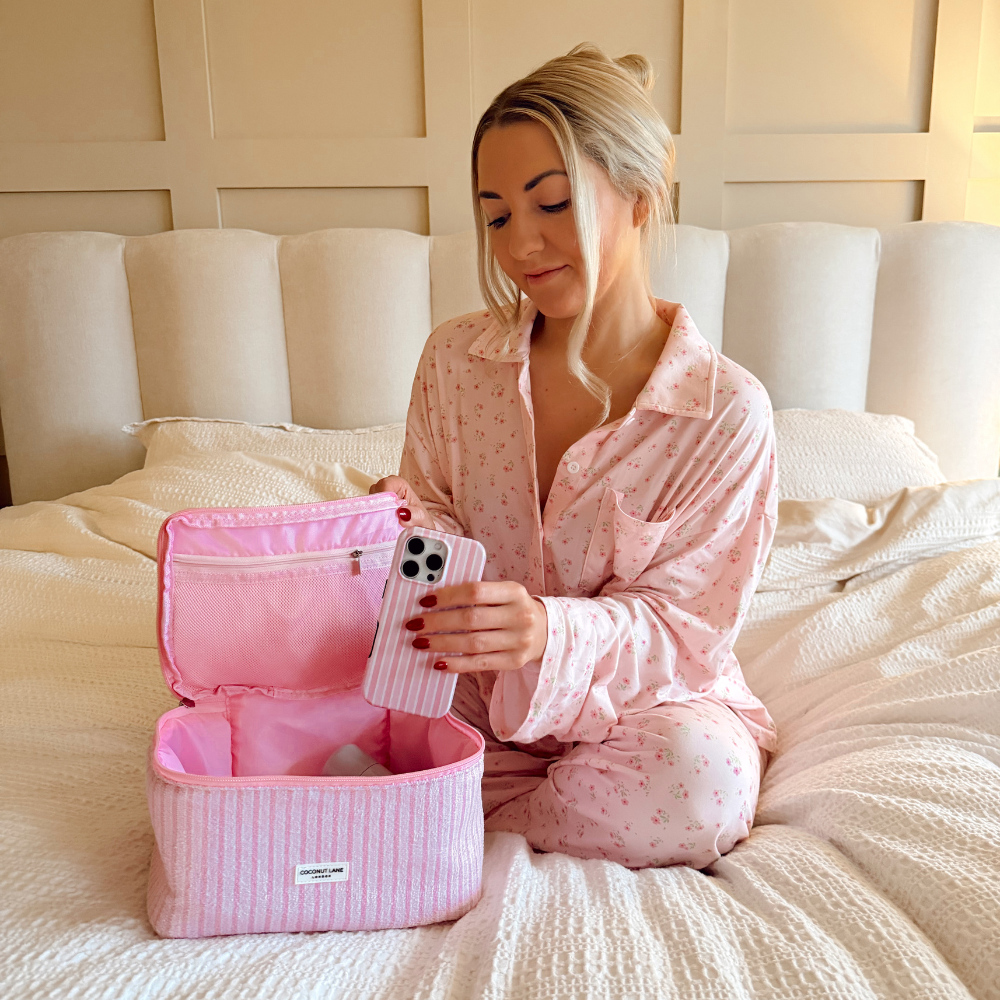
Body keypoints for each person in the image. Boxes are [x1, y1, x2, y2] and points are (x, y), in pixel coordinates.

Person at [370, 42, 779, 869]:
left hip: (639, 707)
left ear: (638, 193)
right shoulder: (456, 360)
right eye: (496, 216)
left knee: (700, 783)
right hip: (475, 694)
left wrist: (546, 633)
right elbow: (435, 513)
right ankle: (448, 800)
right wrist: (407, 531)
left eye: (551, 203)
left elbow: (687, 628)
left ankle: (441, 817)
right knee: (324, 696)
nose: (521, 245)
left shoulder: (725, 413)